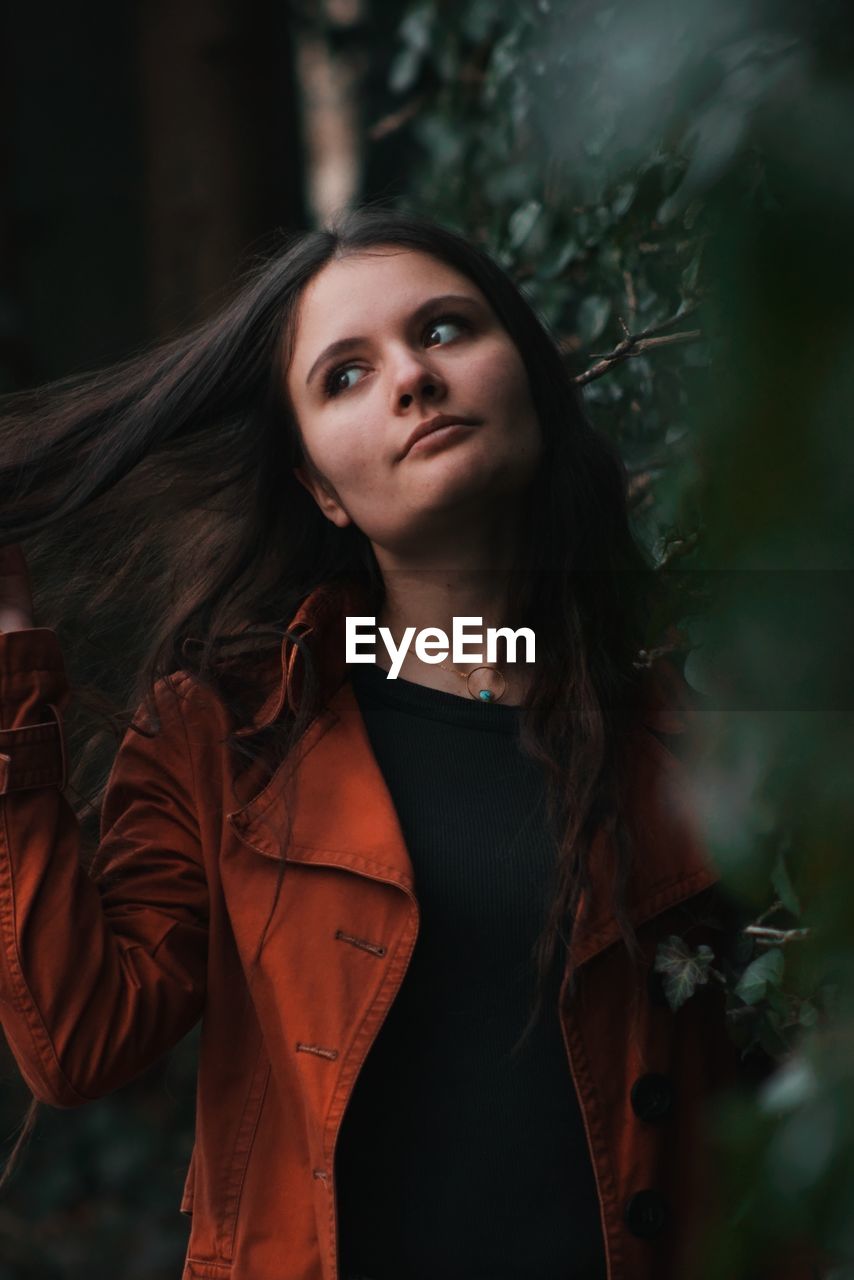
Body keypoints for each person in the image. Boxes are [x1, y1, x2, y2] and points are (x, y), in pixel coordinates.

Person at [0, 204, 815, 1280]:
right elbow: (77, 1038)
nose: (410, 377)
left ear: (530, 374)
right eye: (343, 374)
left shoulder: (697, 713)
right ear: (321, 492)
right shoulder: (227, 738)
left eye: (442, 330)